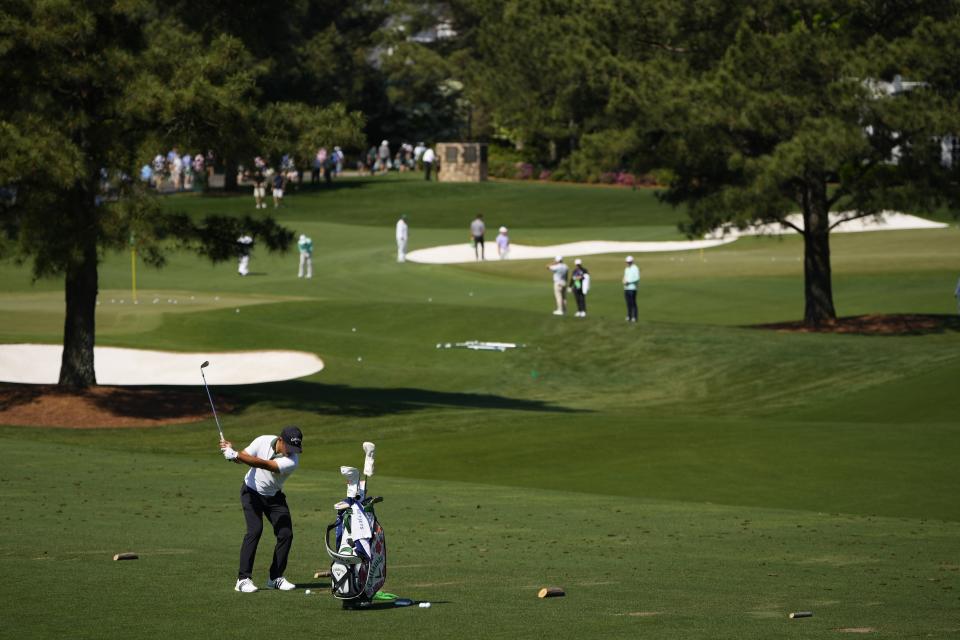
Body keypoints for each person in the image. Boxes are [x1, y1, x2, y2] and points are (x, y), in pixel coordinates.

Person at [220, 426, 304, 594]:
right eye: (289, 447)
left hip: (273, 496)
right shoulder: (262, 440)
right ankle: (243, 579)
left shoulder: (292, 461)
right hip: (251, 492)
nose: (292, 452)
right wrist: (230, 452)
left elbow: (265, 465)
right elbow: (243, 457)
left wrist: (236, 454)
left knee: (285, 534)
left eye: (295, 448)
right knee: (255, 530)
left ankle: (275, 578)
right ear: (280, 440)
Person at [623, 255, 640, 322]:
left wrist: (629, 282)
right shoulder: (626, 269)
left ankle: (634, 317)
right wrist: (624, 280)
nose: (628, 263)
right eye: (627, 262)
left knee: (633, 303)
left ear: (632, 261)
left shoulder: (635, 268)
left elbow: (637, 278)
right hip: (626, 288)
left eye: (629, 262)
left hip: (632, 288)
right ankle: (629, 316)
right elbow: (625, 276)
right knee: (628, 303)